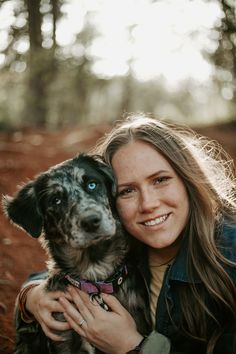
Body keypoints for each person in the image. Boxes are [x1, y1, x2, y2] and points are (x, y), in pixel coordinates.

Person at [14, 114, 236, 354]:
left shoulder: (229, 255)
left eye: (160, 180)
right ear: (113, 200)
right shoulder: (130, 242)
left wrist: (133, 346)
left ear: (188, 178)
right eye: (127, 190)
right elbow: (66, 271)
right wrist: (31, 297)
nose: (148, 204)